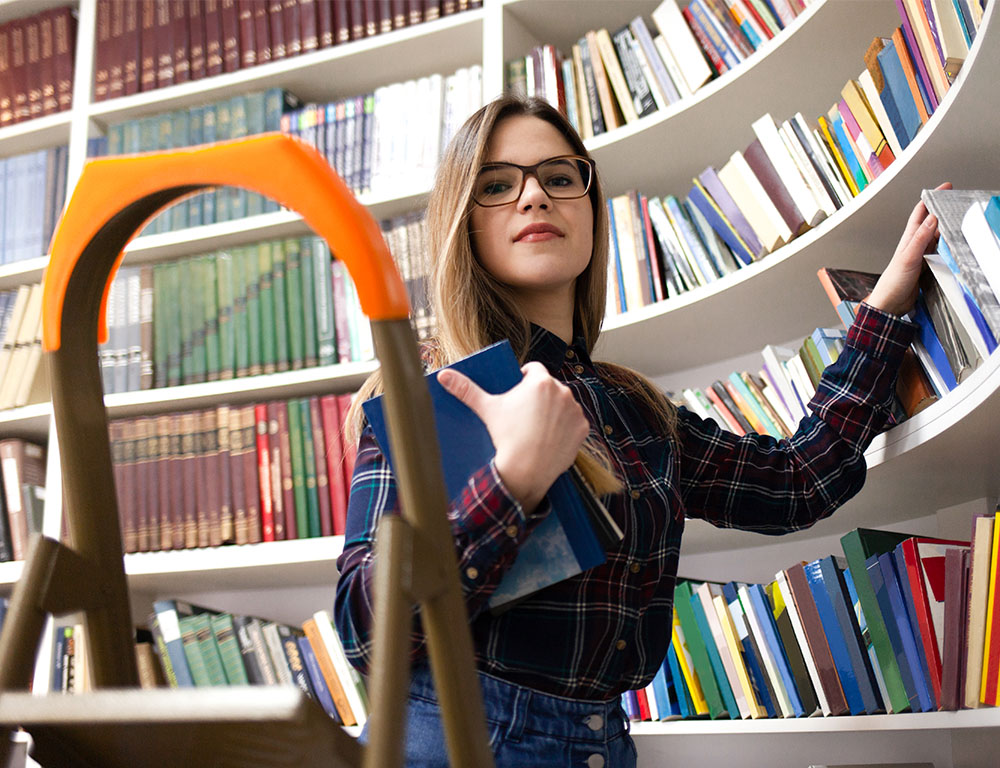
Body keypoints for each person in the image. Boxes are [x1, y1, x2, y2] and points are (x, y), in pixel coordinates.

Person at [335, 95, 938, 767]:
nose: (534, 196)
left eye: (560, 178)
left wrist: (884, 310)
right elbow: (366, 634)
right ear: (463, 225)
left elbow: (797, 482)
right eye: (498, 185)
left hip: (602, 745)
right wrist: (514, 481)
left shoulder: (637, 409)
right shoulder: (429, 393)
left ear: (592, 213)